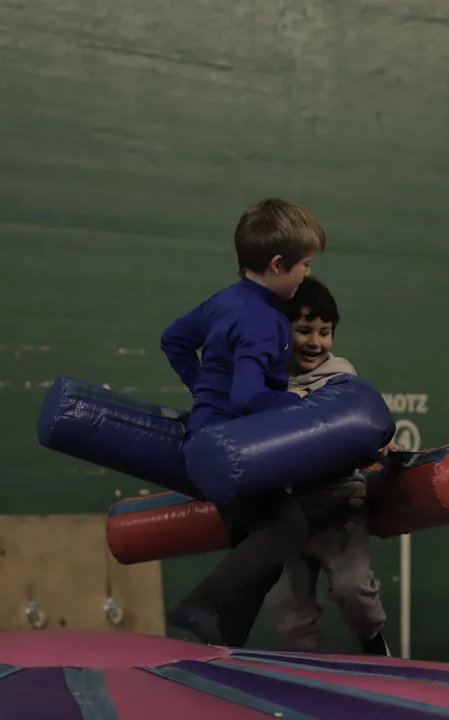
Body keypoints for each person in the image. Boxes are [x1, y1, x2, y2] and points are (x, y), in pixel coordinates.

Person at [159, 197, 325, 646]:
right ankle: (198, 603)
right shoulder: (263, 320)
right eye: (305, 265)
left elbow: (174, 340)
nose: (307, 274)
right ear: (278, 264)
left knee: (261, 557)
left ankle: (224, 646)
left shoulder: (225, 301)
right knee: (287, 528)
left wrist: (202, 390)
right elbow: (248, 395)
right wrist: (298, 402)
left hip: (210, 439)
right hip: (234, 449)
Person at [262, 277, 397, 656]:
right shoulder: (264, 382)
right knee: (287, 611)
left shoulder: (340, 380)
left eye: (325, 332)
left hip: (337, 505)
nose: (315, 342)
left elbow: (360, 425)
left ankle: (374, 645)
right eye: (304, 330)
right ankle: (306, 673)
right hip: (281, 512)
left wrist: (379, 445)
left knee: (355, 591)